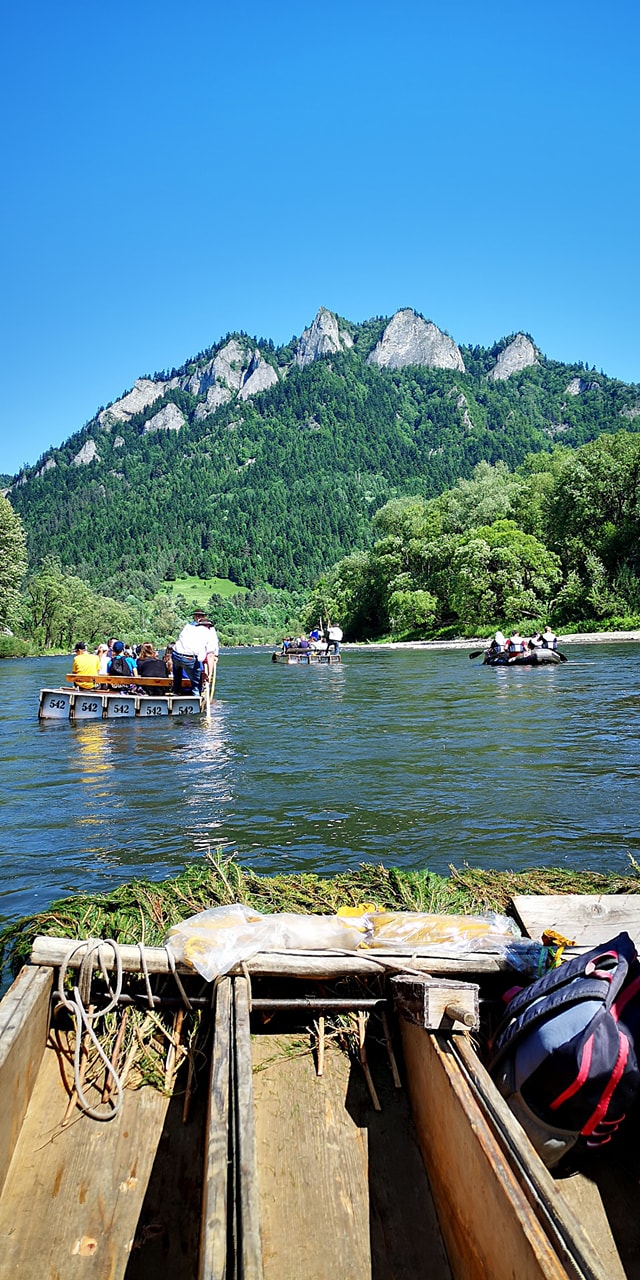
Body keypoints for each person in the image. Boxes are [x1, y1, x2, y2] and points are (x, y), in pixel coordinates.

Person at [172, 615, 219, 695]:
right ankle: (196, 698)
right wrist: (209, 674)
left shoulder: (188, 628)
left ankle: (176, 692)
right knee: (196, 684)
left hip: (175, 654)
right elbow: (210, 655)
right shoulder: (209, 634)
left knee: (177, 677)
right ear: (208, 626)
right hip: (189, 658)